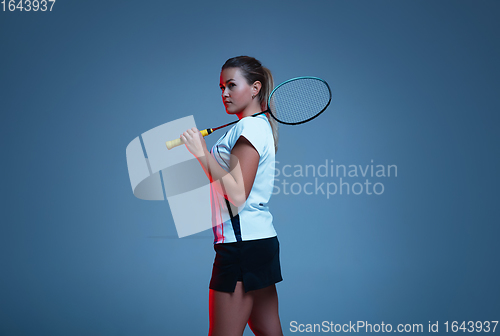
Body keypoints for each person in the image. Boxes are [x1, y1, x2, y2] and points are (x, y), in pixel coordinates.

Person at [180, 56, 283, 336]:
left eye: (231, 85)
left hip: (241, 248)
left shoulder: (249, 128)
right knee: (267, 330)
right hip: (258, 242)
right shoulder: (255, 125)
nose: (224, 93)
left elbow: (237, 193)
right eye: (221, 86)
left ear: (255, 88)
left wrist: (201, 153)